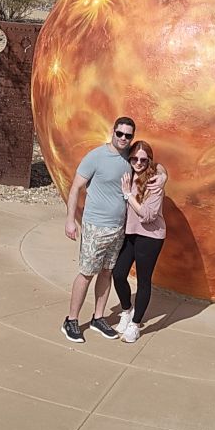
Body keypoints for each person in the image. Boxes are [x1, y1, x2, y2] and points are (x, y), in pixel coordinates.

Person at [62, 117, 166, 344]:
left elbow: (154, 164)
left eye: (128, 135)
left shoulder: (130, 157)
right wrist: (70, 220)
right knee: (87, 272)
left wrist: (164, 174)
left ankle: (99, 317)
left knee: (108, 272)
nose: (123, 139)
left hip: (119, 228)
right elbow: (76, 188)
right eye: (120, 133)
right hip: (95, 225)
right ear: (113, 131)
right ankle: (71, 320)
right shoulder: (96, 156)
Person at [112, 140, 166, 343]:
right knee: (118, 274)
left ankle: (135, 324)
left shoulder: (154, 181)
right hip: (130, 234)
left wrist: (128, 195)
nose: (138, 162)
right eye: (134, 158)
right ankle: (126, 310)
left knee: (144, 280)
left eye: (143, 159)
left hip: (150, 237)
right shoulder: (128, 174)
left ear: (149, 160)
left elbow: (148, 215)